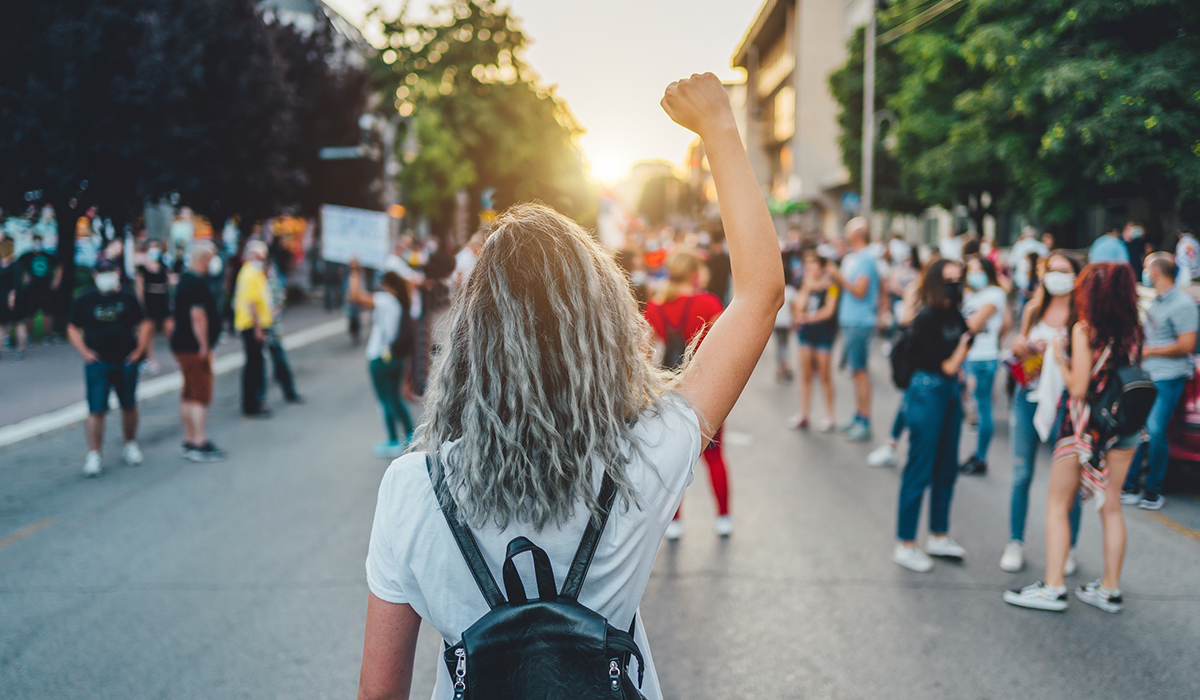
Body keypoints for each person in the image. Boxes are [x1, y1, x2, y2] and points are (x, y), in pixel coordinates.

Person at [357, 72, 785, 700]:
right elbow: (759, 295)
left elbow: (378, 695)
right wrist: (720, 129)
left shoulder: (411, 490)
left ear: (471, 342)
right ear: (602, 332)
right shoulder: (644, 458)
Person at [1005, 263, 1144, 613]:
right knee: (1111, 507)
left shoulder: (1085, 330)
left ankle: (1053, 587)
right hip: (1124, 427)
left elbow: (1079, 387)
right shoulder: (1134, 331)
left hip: (1084, 429)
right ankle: (1110, 589)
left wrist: (1059, 359)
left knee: (1057, 505)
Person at [1002, 251, 1084, 573]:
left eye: (1064, 271)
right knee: (1021, 474)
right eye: (1052, 270)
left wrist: (1059, 354)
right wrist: (1020, 347)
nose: (1056, 276)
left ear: (1077, 277)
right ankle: (1015, 542)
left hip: (1066, 404)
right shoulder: (1035, 308)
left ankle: (1069, 548)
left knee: (1068, 481)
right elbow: (1018, 345)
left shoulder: (1081, 316)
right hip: (1028, 396)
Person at [645, 248, 731, 538]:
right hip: (709, 389)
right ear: (695, 273)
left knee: (673, 461)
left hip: (669, 392)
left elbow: (646, 355)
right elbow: (725, 349)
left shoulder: (655, 307)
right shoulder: (709, 303)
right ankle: (723, 517)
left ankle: (675, 521)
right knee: (715, 457)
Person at [892, 259, 971, 572]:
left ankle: (939, 535)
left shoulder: (953, 313)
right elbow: (949, 363)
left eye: (959, 278)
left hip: (949, 393)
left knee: (947, 467)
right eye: (949, 279)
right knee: (920, 467)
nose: (955, 284)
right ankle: (906, 543)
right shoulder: (925, 318)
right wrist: (964, 349)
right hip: (927, 392)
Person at [1121, 253, 1198, 510]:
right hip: (1147, 374)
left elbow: (1186, 345)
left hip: (1168, 376)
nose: (1144, 273)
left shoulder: (1183, 304)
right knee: (1136, 429)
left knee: (1155, 430)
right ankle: (1130, 486)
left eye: (1145, 269)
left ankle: (1153, 490)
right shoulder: (1157, 302)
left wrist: (1151, 352)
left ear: (1155, 272)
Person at [66, 260, 151, 477]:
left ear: (117, 273)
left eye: (110, 272)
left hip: (125, 360)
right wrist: (85, 353)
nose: (106, 276)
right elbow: (73, 327)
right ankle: (94, 454)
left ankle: (130, 444)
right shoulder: (86, 298)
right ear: (95, 274)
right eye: (102, 272)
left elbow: (144, 323)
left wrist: (139, 351)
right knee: (96, 409)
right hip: (98, 362)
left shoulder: (128, 297)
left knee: (129, 404)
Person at [347, 260, 416, 458]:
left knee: (385, 399)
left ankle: (393, 439)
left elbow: (355, 296)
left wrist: (354, 270)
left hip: (379, 357)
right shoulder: (402, 303)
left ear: (388, 286)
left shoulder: (385, 301)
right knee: (395, 398)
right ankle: (410, 434)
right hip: (396, 357)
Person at [824, 218, 880, 442]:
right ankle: (858, 417)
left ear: (857, 234)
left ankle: (864, 420)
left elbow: (859, 290)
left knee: (860, 371)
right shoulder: (854, 258)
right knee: (855, 372)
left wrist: (839, 277)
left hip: (859, 321)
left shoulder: (866, 258)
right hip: (851, 320)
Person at [171, 241, 226, 463]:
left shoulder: (185, 280)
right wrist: (204, 346)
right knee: (199, 395)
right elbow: (198, 317)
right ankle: (198, 442)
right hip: (193, 347)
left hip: (182, 344)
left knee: (188, 392)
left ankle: (189, 439)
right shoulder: (195, 284)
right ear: (203, 258)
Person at [959, 255, 1008, 475]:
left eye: (978, 268)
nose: (974, 273)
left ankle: (980, 456)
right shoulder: (970, 294)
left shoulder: (994, 294)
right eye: (970, 269)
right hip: (970, 355)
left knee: (983, 407)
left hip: (983, 358)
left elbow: (973, 325)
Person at [791, 248, 839, 431]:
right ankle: (804, 413)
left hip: (824, 332)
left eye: (814, 265)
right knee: (806, 374)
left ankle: (829, 415)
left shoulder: (832, 286)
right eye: (808, 265)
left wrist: (808, 317)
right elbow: (799, 306)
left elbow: (829, 311)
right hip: (806, 333)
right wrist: (807, 288)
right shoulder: (806, 283)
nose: (810, 269)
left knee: (825, 374)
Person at [233, 240, 274, 417]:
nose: (263, 259)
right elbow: (252, 303)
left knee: (256, 365)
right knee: (254, 366)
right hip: (251, 326)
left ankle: (254, 402)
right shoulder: (249, 274)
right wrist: (258, 328)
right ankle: (251, 404)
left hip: (255, 325)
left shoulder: (254, 272)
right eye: (260, 255)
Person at [135, 241, 172, 374]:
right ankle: (148, 359)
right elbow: (139, 287)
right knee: (148, 331)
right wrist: (141, 304)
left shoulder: (163, 266)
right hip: (150, 299)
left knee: (170, 327)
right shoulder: (142, 268)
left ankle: (179, 355)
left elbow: (169, 282)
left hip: (162, 299)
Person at [18, 233, 61, 343]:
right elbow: (16, 267)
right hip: (31, 289)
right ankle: (29, 336)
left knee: (48, 312)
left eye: (39, 240)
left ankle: (48, 335)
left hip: (46, 288)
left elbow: (59, 266)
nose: (37, 243)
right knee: (30, 312)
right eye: (35, 241)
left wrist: (56, 281)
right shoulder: (26, 256)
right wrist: (24, 277)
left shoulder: (47, 255)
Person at [0, 237, 28, 359]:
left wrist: (12, 296)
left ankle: (20, 348)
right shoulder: (15, 264)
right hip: (6, 297)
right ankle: (20, 349)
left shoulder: (12, 265)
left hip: (12, 296)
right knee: (15, 323)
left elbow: (16, 283)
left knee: (13, 324)